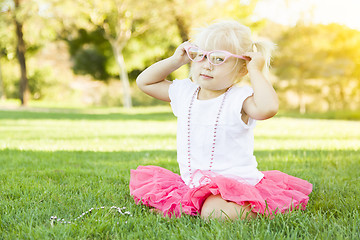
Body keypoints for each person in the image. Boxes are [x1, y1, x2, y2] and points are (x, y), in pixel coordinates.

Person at [129, 20, 312, 220]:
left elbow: (268, 108)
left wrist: (256, 71)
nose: (207, 65)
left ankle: (255, 210)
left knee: (216, 213)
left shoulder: (239, 99)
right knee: (188, 202)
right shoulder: (185, 92)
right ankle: (194, 206)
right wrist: (176, 60)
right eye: (200, 55)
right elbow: (145, 82)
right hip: (192, 183)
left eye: (218, 58)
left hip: (234, 187)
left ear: (242, 69)